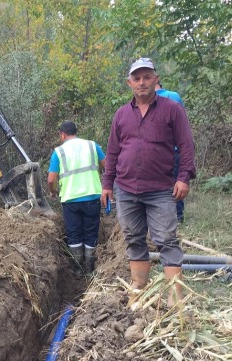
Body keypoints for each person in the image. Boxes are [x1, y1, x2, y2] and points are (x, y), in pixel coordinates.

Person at [100, 58, 196, 303]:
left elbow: (186, 145)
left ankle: (175, 296)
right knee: (133, 237)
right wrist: (107, 184)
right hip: (126, 188)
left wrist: (183, 177)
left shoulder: (171, 109)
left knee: (166, 239)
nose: (142, 82)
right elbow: (112, 152)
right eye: (136, 78)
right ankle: (138, 286)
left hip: (161, 188)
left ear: (156, 79)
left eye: (146, 77)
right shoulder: (121, 115)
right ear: (129, 83)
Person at [47, 120, 106, 275]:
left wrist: (52, 191)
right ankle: (90, 268)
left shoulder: (58, 152)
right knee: (91, 232)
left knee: (74, 234)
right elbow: (107, 165)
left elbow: (51, 179)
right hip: (92, 196)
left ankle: (77, 269)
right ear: (76, 131)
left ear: (62, 134)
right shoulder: (93, 146)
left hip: (70, 200)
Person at [155, 80, 186, 223]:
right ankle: (178, 216)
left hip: (158, 151)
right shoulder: (174, 96)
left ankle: (162, 216)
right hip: (175, 150)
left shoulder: (143, 99)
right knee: (176, 183)